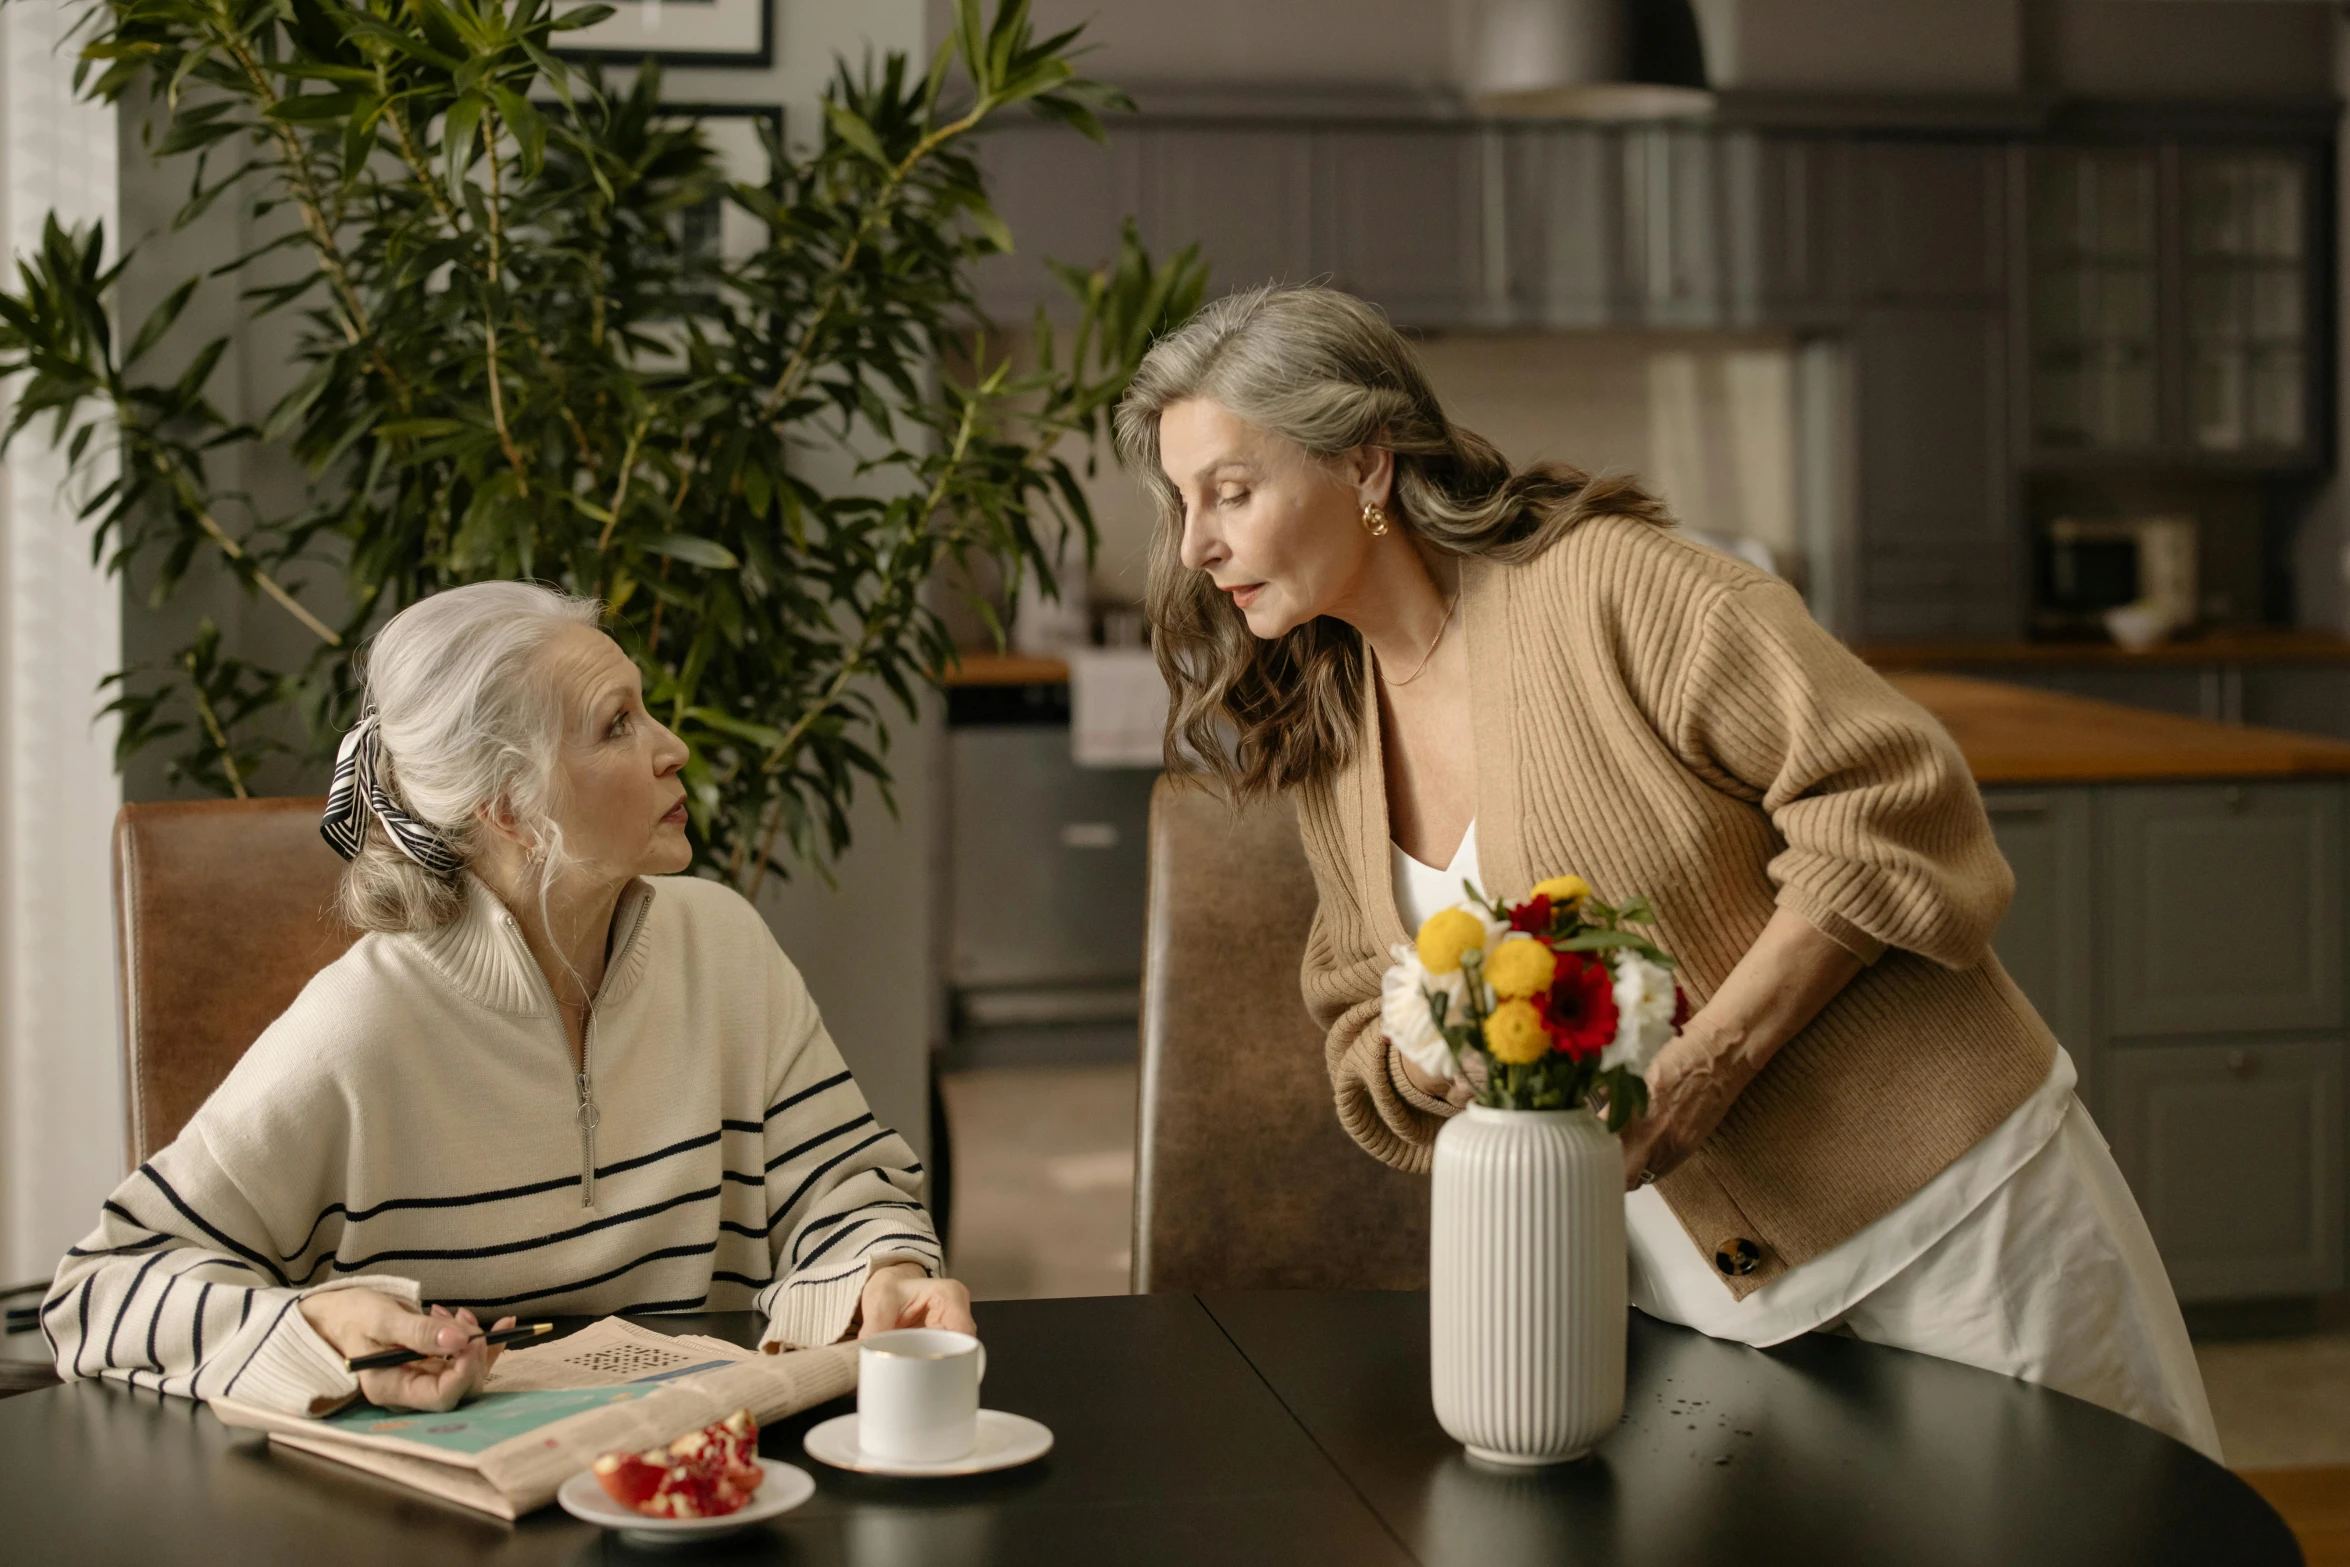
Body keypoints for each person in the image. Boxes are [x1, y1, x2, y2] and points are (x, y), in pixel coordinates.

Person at [1114, 283, 2221, 1460]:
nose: (1197, 545)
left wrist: (1707, 1065)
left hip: (1953, 1222)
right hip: (1699, 1307)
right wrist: (1435, 1055)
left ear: (1368, 462)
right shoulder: (1331, 733)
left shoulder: (1612, 589)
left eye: (1231, 492)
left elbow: (1890, 799)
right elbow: (1354, 1008)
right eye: (1184, 503)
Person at [42, 581, 970, 1417]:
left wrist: (879, 1271)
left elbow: (843, 1191)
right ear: (509, 807)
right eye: (618, 724)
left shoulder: (725, 947)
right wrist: (315, 1324)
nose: (673, 746)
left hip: (704, 1501)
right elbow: (101, 1291)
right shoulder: (360, 1026)